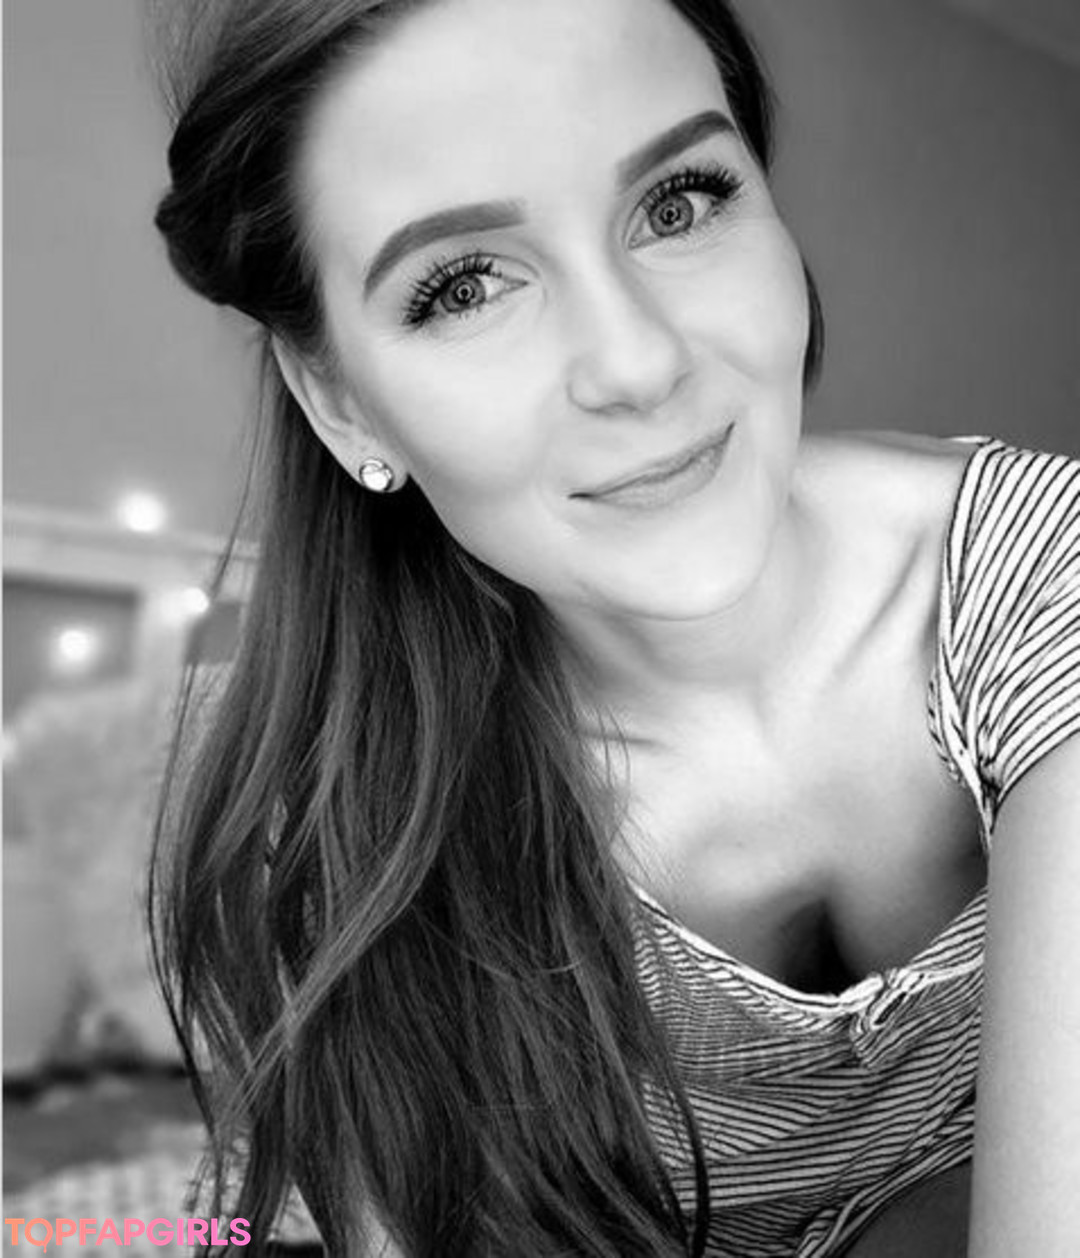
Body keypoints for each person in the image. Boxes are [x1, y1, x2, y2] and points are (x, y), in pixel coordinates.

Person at [149, 0, 1080, 1254]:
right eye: (464, 285)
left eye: (680, 202)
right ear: (340, 402)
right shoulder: (349, 834)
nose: (637, 364)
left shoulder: (1042, 573)